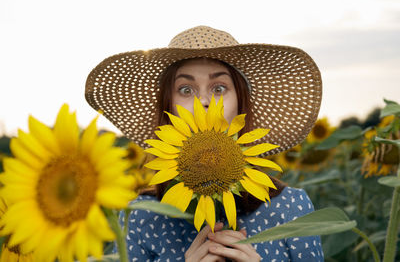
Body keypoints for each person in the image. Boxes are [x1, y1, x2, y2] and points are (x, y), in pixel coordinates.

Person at [85, 26, 324, 261]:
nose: (203, 101)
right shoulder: (142, 216)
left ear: (241, 104)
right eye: (186, 89)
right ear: (168, 106)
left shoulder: (290, 209)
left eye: (219, 88)